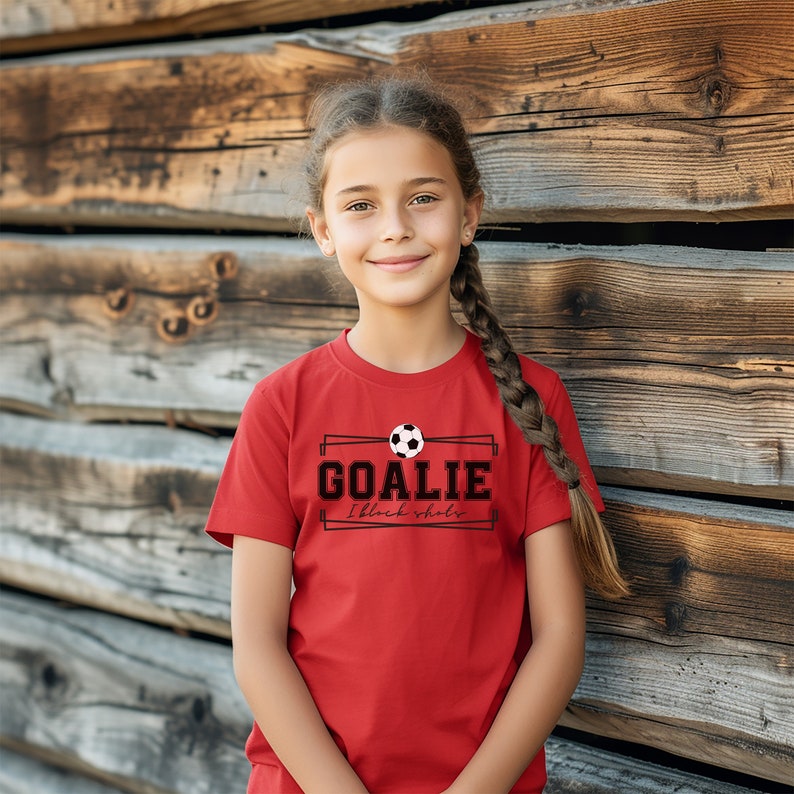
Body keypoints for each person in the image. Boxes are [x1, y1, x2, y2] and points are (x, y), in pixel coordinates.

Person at [205, 75, 629, 794]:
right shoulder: (283, 404)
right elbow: (257, 647)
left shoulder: (530, 399)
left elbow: (558, 640)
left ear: (469, 215)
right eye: (361, 206)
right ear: (323, 230)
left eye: (423, 198)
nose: (396, 226)